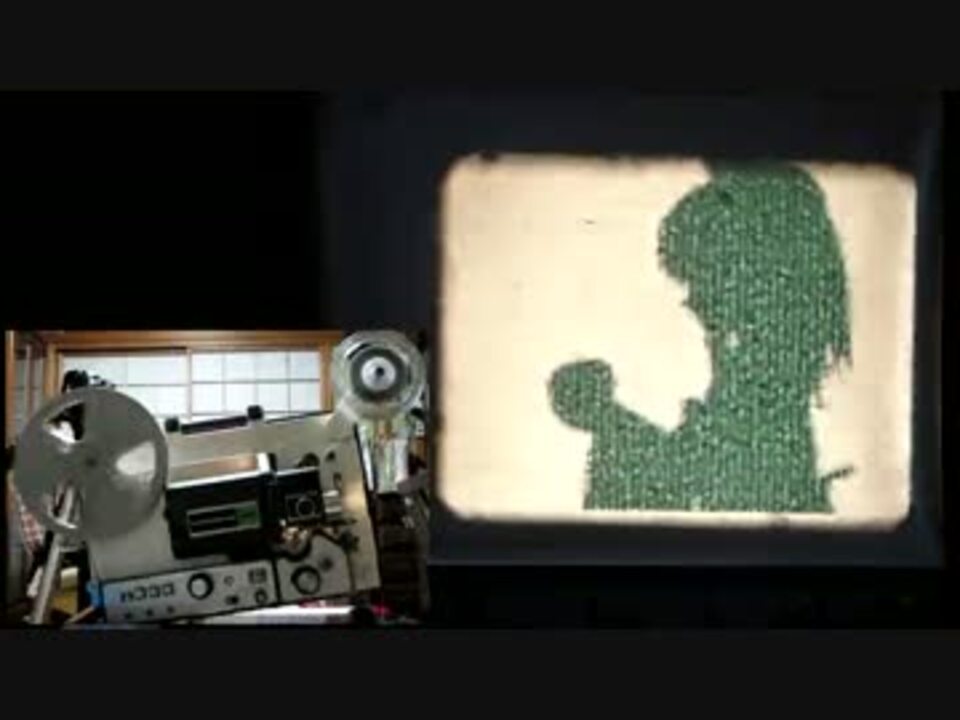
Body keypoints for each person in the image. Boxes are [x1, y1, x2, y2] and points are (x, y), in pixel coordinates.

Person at [549, 162, 852, 513]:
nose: (692, 302)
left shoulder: (765, 386)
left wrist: (627, 438)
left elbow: (731, 476)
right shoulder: (754, 375)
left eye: (700, 279)